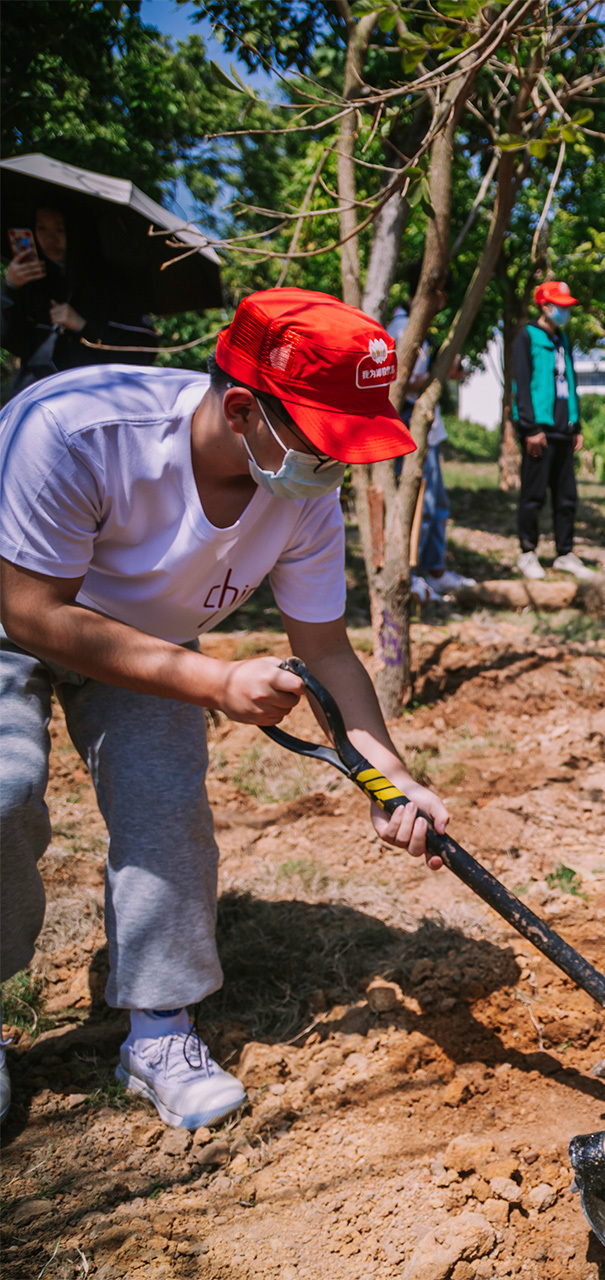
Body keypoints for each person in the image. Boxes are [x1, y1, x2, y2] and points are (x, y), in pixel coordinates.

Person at [0, 287, 449, 1128]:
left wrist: (387, 777)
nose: (338, 467)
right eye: (324, 442)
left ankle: (159, 1028)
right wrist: (215, 683)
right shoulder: (74, 431)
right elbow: (31, 613)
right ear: (243, 409)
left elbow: (325, 650)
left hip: (149, 640)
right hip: (15, 603)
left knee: (165, 807)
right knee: (4, 792)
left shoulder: (302, 492)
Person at [3, 205, 159, 395]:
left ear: (78, 230)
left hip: (93, 398)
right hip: (37, 398)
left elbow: (143, 353)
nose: (50, 238)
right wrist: (10, 288)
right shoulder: (32, 283)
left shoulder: (115, 285)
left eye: (60, 229)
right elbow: (11, 340)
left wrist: (82, 325)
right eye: (41, 228)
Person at [386, 303, 475, 601]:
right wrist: (437, 373)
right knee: (420, 501)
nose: (443, 301)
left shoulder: (425, 331)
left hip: (428, 427)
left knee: (436, 504)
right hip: (409, 423)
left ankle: (434, 571)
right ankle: (410, 573)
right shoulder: (403, 330)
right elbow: (399, 382)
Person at [507, 281, 589, 581]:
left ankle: (565, 552)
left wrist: (575, 424)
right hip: (538, 430)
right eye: (560, 305)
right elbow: (521, 384)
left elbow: (570, 381)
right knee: (534, 495)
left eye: (567, 306)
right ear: (544, 305)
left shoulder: (563, 339)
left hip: (563, 430)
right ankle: (527, 552)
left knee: (567, 497)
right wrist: (530, 427)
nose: (565, 311)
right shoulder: (526, 336)